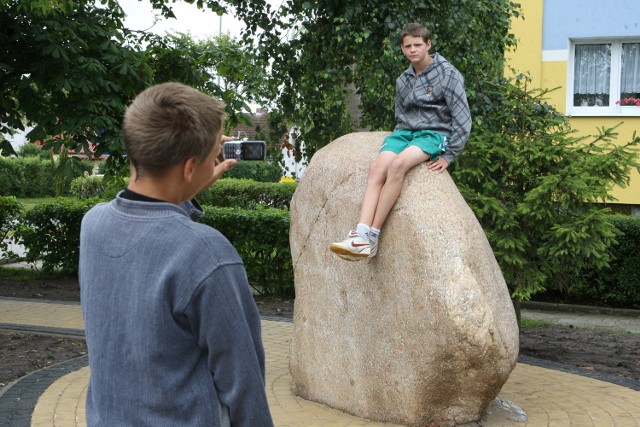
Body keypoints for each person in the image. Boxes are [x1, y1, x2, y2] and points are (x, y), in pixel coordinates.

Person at [79, 82, 274, 426]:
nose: (219, 158)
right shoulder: (206, 252)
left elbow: (146, 220)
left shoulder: (93, 224)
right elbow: (243, 384)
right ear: (188, 167)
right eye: (215, 152)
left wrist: (186, 186)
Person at [330, 22, 472, 261]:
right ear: (402, 48)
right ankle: (361, 234)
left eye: (418, 45)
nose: (413, 50)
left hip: (434, 134)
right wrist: (400, 138)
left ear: (428, 44)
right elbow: (401, 115)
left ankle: (372, 237)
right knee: (377, 168)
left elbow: (463, 118)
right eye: (408, 46)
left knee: (398, 166)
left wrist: (450, 155)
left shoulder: (448, 74)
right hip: (405, 132)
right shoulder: (403, 80)